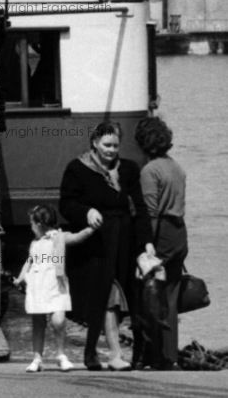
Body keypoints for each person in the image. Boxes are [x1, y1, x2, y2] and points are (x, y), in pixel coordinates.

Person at [59, 121, 148, 371]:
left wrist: (146, 244)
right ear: (95, 143)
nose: (111, 150)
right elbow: (66, 204)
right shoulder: (77, 169)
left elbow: (139, 208)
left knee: (123, 298)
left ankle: (105, 354)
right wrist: (86, 212)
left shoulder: (129, 169)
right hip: (95, 244)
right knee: (104, 297)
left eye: (115, 145)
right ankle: (107, 354)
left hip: (124, 242)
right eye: (106, 145)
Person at [134, 116, 188, 370]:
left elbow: (151, 213)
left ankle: (154, 356)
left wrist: (147, 245)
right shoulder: (176, 167)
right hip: (180, 232)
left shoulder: (150, 170)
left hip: (162, 232)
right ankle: (171, 356)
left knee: (151, 294)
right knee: (171, 296)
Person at [14, 205, 95, 372]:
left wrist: (90, 229)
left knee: (58, 320)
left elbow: (75, 238)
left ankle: (60, 354)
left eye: (31, 224)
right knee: (38, 323)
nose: (30, 227)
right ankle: (37, 357)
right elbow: (30, 262)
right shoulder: (34, 244)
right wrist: (21, 277)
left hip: (55, 286)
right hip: (37, 286)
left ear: (39, 224)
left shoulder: (58, 238)